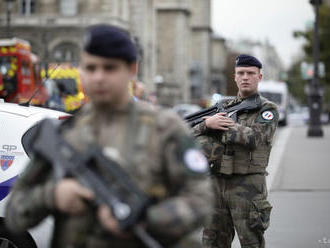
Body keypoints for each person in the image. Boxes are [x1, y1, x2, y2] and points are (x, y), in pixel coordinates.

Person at [5, 24, 213, 248]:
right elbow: (14, 213)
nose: (99, 77)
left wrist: (144, 219)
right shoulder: (64, 132)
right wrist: (53, 196)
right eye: (91, 68)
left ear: (132, 69)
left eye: (109, 68)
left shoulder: (166, 129)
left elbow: (201, 203)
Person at [193, 54, 279, 248]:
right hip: (216, 183)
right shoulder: (222, 107)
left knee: (251, 242)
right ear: (235, 77)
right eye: (241, 73)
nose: (245, 77)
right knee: (212, 242)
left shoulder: (267, 109)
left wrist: (224, 125)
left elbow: (255, 138)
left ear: (259, 77)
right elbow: (188, 135)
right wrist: (207, 124)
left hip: (247, 186)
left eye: (250, 73)